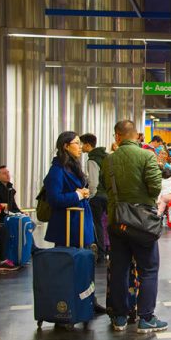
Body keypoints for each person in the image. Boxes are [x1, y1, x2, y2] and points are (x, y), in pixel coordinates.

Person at [102, 120, 168, 333]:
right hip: (141, 223)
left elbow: (104, 186)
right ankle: (146, 318)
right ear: (137, 135)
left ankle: (120, 318)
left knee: (119, 269)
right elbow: (155, 188)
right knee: (148, 269)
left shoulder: (108, 160)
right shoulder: (146, 156)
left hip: (117, 221)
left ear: (117, 136)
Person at [44, 131, 106, 314]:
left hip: (80, 223)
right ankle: (67, 305)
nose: (80, 147)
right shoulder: (57, 170)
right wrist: (78, 195)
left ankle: (88, 300)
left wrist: (82, 193)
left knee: (85, 264)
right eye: (76, 143)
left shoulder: (73, 167)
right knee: (69, 267)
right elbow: (54, 199)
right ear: (65, 146)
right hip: (68, 226)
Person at [80, 133, 108, 257]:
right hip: (108, 195)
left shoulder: (92, 159)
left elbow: (93, 182)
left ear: (87, 145)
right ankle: (108, 250)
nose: (80, 147)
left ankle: (100, 253)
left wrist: (90, 195)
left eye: (81, 144)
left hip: (98, 196)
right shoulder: (105, 156)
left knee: (97, 225)